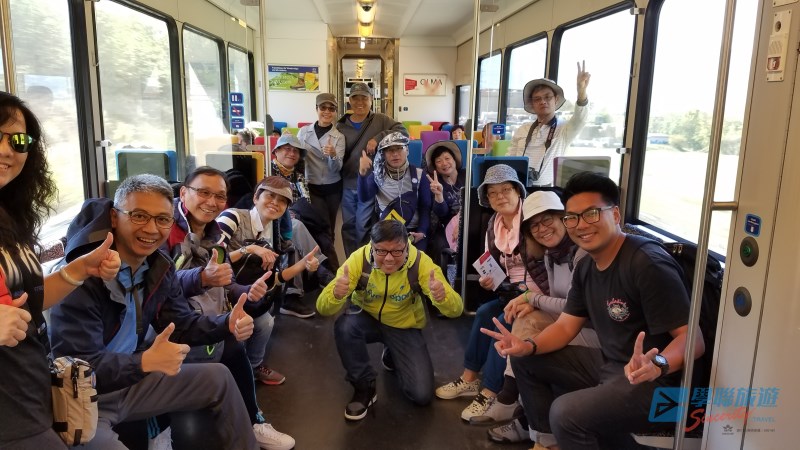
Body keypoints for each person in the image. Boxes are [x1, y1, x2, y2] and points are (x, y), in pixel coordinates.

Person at [48, 174, 295, 450]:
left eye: (162, 219)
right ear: (114, 217)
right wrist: (143, 362)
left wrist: (227, 323)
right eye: (139, 216)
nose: (151, 228)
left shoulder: (158, 266)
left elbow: (181, 324)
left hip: (133, 381)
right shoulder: (81, 275)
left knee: (220, 377)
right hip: (84, 397)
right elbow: (79, 364)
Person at [482, 172, 704, 450]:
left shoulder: (646, 263)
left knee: (565, 413)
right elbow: (565, 327)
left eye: (591, 214)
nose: (581, 225)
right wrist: (527, 346)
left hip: (659, 385)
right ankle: (547, 444)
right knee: (525, 360)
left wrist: (658, 363)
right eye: (572, 218)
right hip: (612, 365)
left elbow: (693, 340)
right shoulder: (587, 266)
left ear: (616, 214)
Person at [0, 92, 121, 449]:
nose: (7, 150)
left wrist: (80, 269)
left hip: (26, 387)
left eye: (18, 141)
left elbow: (27, 300)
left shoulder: (8, 217)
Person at [483, 190, 599, 444]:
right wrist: (532, 305)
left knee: (531, 348)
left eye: (548, 220)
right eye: (534, 225)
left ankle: (522, 414)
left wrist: (532, 299)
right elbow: (559, 303)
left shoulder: (581, 254)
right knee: (523, 320)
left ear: (564, 219)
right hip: (572, 323)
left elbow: (576, 307)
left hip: (593, 331)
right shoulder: (550, 255)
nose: (542, 229)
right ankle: (518, 407)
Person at [316, 220, 463, 421]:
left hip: (403, 324)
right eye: (381, 251)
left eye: (397, 251)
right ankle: (364, 387)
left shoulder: (421, 263)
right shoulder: (358, 259)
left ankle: (391, 353)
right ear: (372, 246)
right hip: (366, 318)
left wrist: (442, 298)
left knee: (421, 395)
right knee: (345, 327)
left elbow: (456, 310)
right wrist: (336, 293)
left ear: (406, 246)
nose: (388, 259)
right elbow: (323, 308)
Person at [435, 164, 548, 422]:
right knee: (485, 312)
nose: (500, 197)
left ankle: (491, 391)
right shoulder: (493, 224)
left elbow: (551, 270)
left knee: (504, 320)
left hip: (540, 295)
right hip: (513, 292)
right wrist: (491, 281)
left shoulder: (534, 221)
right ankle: (469, 378)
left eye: (506, 190)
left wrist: (533, 298)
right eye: (493, 193)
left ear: (518, 191)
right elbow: (497, 267)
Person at [217, 175, 322, 383]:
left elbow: (273, 278)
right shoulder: (232, 217)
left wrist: (303, 264)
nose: (275, 203)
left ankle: (253, 368)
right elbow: (211, 259)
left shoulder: (274, 232)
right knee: (239, 336)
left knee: (265, 322)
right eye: (270, 196)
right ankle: (231, 376)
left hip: (246, 296)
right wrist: (249, 249)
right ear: (256, 197)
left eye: (282, 200)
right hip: (219, 296)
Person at [337, 81, 408, 254]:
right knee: (348, 226)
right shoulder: (341, 125)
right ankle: (351, 260)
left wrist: (378, 138)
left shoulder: (381, 120)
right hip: (347, 183)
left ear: (371, 100)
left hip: (370, 183)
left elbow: (403, 132)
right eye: (355, 98)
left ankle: (364, 259)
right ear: (349, 101)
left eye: (364, 98)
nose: (360, 102)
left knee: (363, 225)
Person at [270, 134, 335, 317]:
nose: (292, 153)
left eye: (295, 151)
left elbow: (305, 204)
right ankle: (322, 272)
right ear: (276, 151)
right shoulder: (266, 170)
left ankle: (291, 297)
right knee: (296, 226)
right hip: (271, 221)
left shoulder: (299, 177)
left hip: (294, 222)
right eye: (287, 149)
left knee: (297, 234)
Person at [507, 61, 591, 187]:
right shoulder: (523, 129)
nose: (543, 101)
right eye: (537, 99)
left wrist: (581, 92)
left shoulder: (564, 129)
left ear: (556, 99)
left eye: (547, 97)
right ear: (532, 104)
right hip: (518, 187)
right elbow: (510, 158)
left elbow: (581, 118)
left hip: (547, 190)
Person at [358, 132, 432, 251]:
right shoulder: (378, 175)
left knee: (417, 259)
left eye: (399, 148)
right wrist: (362, 175)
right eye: (390, 150)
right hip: (387, 231)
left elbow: (425, 207)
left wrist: (422, 232)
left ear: (407, 151)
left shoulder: (419, 174)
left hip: (414, 230)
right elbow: (364, 198)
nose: (395, 154)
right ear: (383, 154)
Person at [296, 93, 346, 268]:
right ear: (316, 109)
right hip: (311, 185)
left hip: (332, 187)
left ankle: (328, 266)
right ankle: (324, 266)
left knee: (329, 227)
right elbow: (298, 159)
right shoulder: (304, 132)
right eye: (323, 108)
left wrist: (332, 155)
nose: (327, 112)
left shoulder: (338, 136)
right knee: (317, 226)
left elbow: (336, 168)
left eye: (331, 109)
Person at [425, 140, 465, 267]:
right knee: (440, 245)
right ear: (435, 167)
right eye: (439, 161)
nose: (444, 163)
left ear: (455, 160)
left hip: (468, 221)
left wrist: (461, 223)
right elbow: (442, 214)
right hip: (444, 226)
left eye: (447, 158)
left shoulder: (468, 176)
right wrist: (439, 195)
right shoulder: (434, 183)